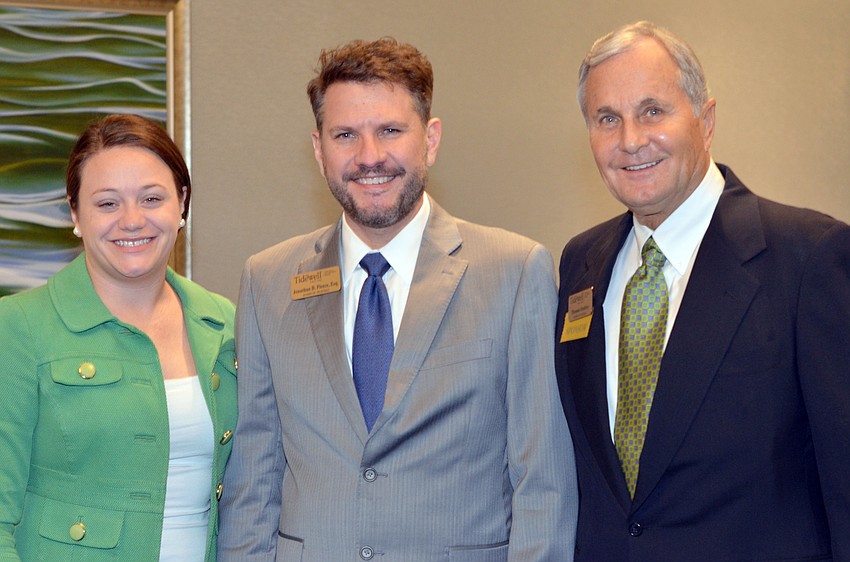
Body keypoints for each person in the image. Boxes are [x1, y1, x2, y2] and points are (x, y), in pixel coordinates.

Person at [218, 37, 577, 561]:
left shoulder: (514, 272)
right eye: (346, 135)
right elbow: (254, 476)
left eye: (390, 130)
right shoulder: (267, 280)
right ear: (319, 149)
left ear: (430, 140)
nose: (369, 157)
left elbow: (542, 480)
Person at [554, 20, 850, 561]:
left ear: (705, 120)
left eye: (652, 111)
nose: (630, 140)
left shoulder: (810, 256)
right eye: (607, 118)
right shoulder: (581, 264)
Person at [0, 114, 237, 561]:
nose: (132, 221)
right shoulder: (17, 328)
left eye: (151, 198)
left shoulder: (225, 323)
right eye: (107, 203)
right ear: (75, 212)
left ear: (181, 203)